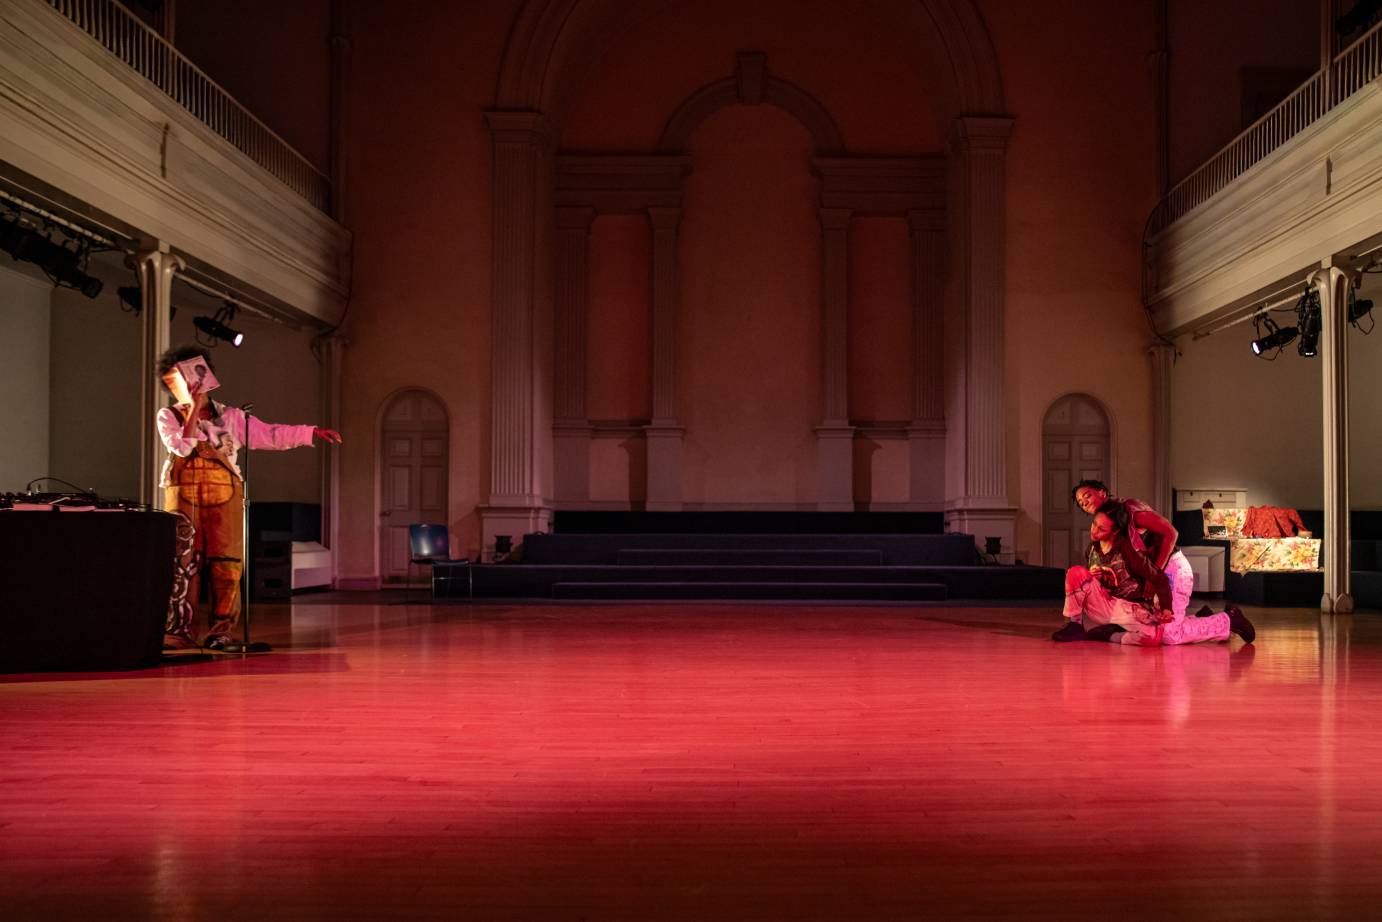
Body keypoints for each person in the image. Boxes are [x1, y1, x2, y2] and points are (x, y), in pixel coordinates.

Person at [156, 346, 341, 651]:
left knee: (227, 564)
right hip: (183, 496)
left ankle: (221, 632)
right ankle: (179, 631)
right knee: (183, 564)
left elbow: (269, 434)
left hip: (226, 494)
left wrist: (310, 433)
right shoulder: (169, 416)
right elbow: (182, 447)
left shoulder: (231, 417)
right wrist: (193, 409)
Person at [1054, 500, 1253, 646]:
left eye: (1088, 496)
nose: (1094, 531)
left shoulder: (1131, 533)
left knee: (1168, 635)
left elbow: (1161, 566)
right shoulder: (1093, 548)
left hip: (1172, 569)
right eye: (1081, 501)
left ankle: (1228, 620)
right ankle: (1200, 619)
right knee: (1076, 573)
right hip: (1137, 589)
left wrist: (1164, 606)